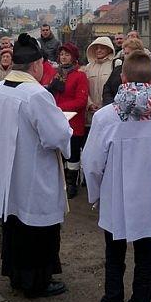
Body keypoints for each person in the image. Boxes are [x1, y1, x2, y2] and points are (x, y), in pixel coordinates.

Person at [82, 50, 151, 302]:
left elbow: (92, 164)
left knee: (114, 257)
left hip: (116, 199)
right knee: (145, 259)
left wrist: (97, 196)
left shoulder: (105, 117)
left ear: (122, 78)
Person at [0, 34, 72, 298]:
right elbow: (56, 136)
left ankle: (16, 276)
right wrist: (65, 127)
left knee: (14, 226)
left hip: (8, 177)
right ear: (36, 65)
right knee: (37, 229)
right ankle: (36, 282)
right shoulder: (36, 94)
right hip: (33, 175)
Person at [49, 42, 88, 198]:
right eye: (62, 54)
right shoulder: (55, 74)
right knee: (60, 154)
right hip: (57, 121)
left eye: (67, 54)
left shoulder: (80, 76)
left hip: (73, 121)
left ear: (73, 57)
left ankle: (72, 184)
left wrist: (59, 107)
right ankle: (62, 181)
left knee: (72, 155)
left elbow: (81, 100)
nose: (63, 57)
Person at [102, 38, 144, 106]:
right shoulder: (117, 70)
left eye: (128, 53)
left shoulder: (145, 70)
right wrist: (111, 104)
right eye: (125, 53)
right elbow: (107, 89)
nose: (126, 56)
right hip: (114, 108)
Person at [85, 36, 115, 125]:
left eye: (102, 48)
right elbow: (84, 89)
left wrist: (106, 105)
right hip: (92, 113)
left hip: (109, 111)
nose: (99, 50)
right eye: (97, 48)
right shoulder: (88, 67)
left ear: (109, 49)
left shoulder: (116, 64)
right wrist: (89, 104)